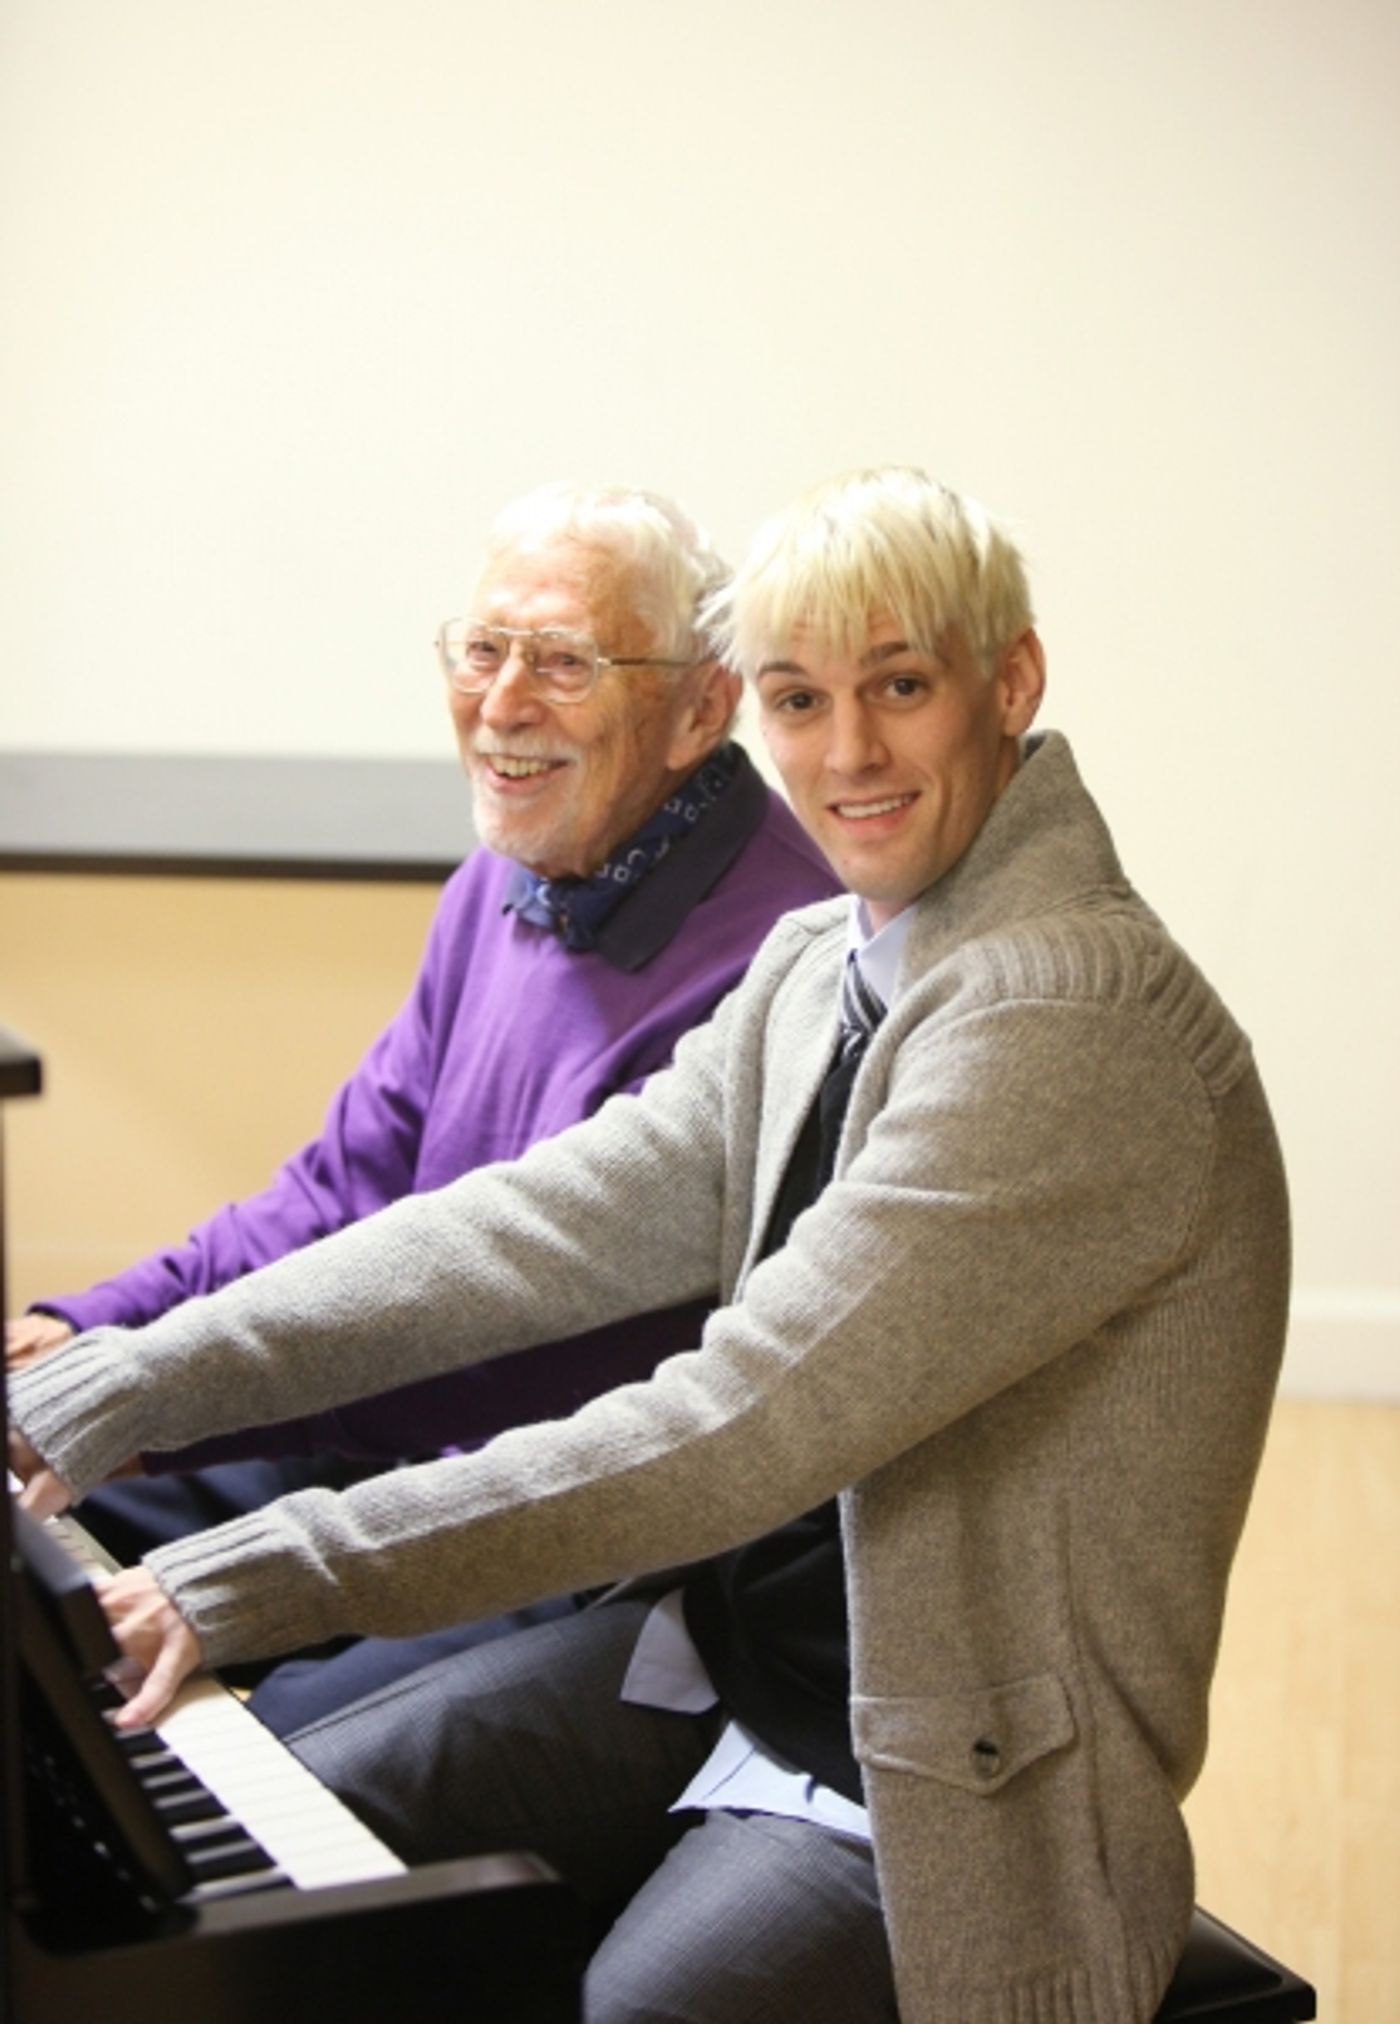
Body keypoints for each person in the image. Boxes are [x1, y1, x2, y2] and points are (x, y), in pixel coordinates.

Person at [10, 466, 1290, 2024]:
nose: (848, 754)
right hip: (732, 1655)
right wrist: (116, 1385)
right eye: (802, 700)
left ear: (1008, 682)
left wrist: (257, 1579)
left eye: (902, 687)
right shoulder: (826, 960)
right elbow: (522, 1231)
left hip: (952, 1770)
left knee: (625, 2008)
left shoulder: (1066, 1020)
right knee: (285, 1845)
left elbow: (740, 1423)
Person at [4, 478, 837, 1729]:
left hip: (556, 1519)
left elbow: (522, 1346)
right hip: (383, 1418)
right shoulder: (509, 874)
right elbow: (343, 1188)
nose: (501, 704)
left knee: (247, 1741)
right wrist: (93, 1329)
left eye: (561, 661)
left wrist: (148, 1404)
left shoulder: (774, 957)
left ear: (698, 706)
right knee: (37, 1545)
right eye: (483, 649)